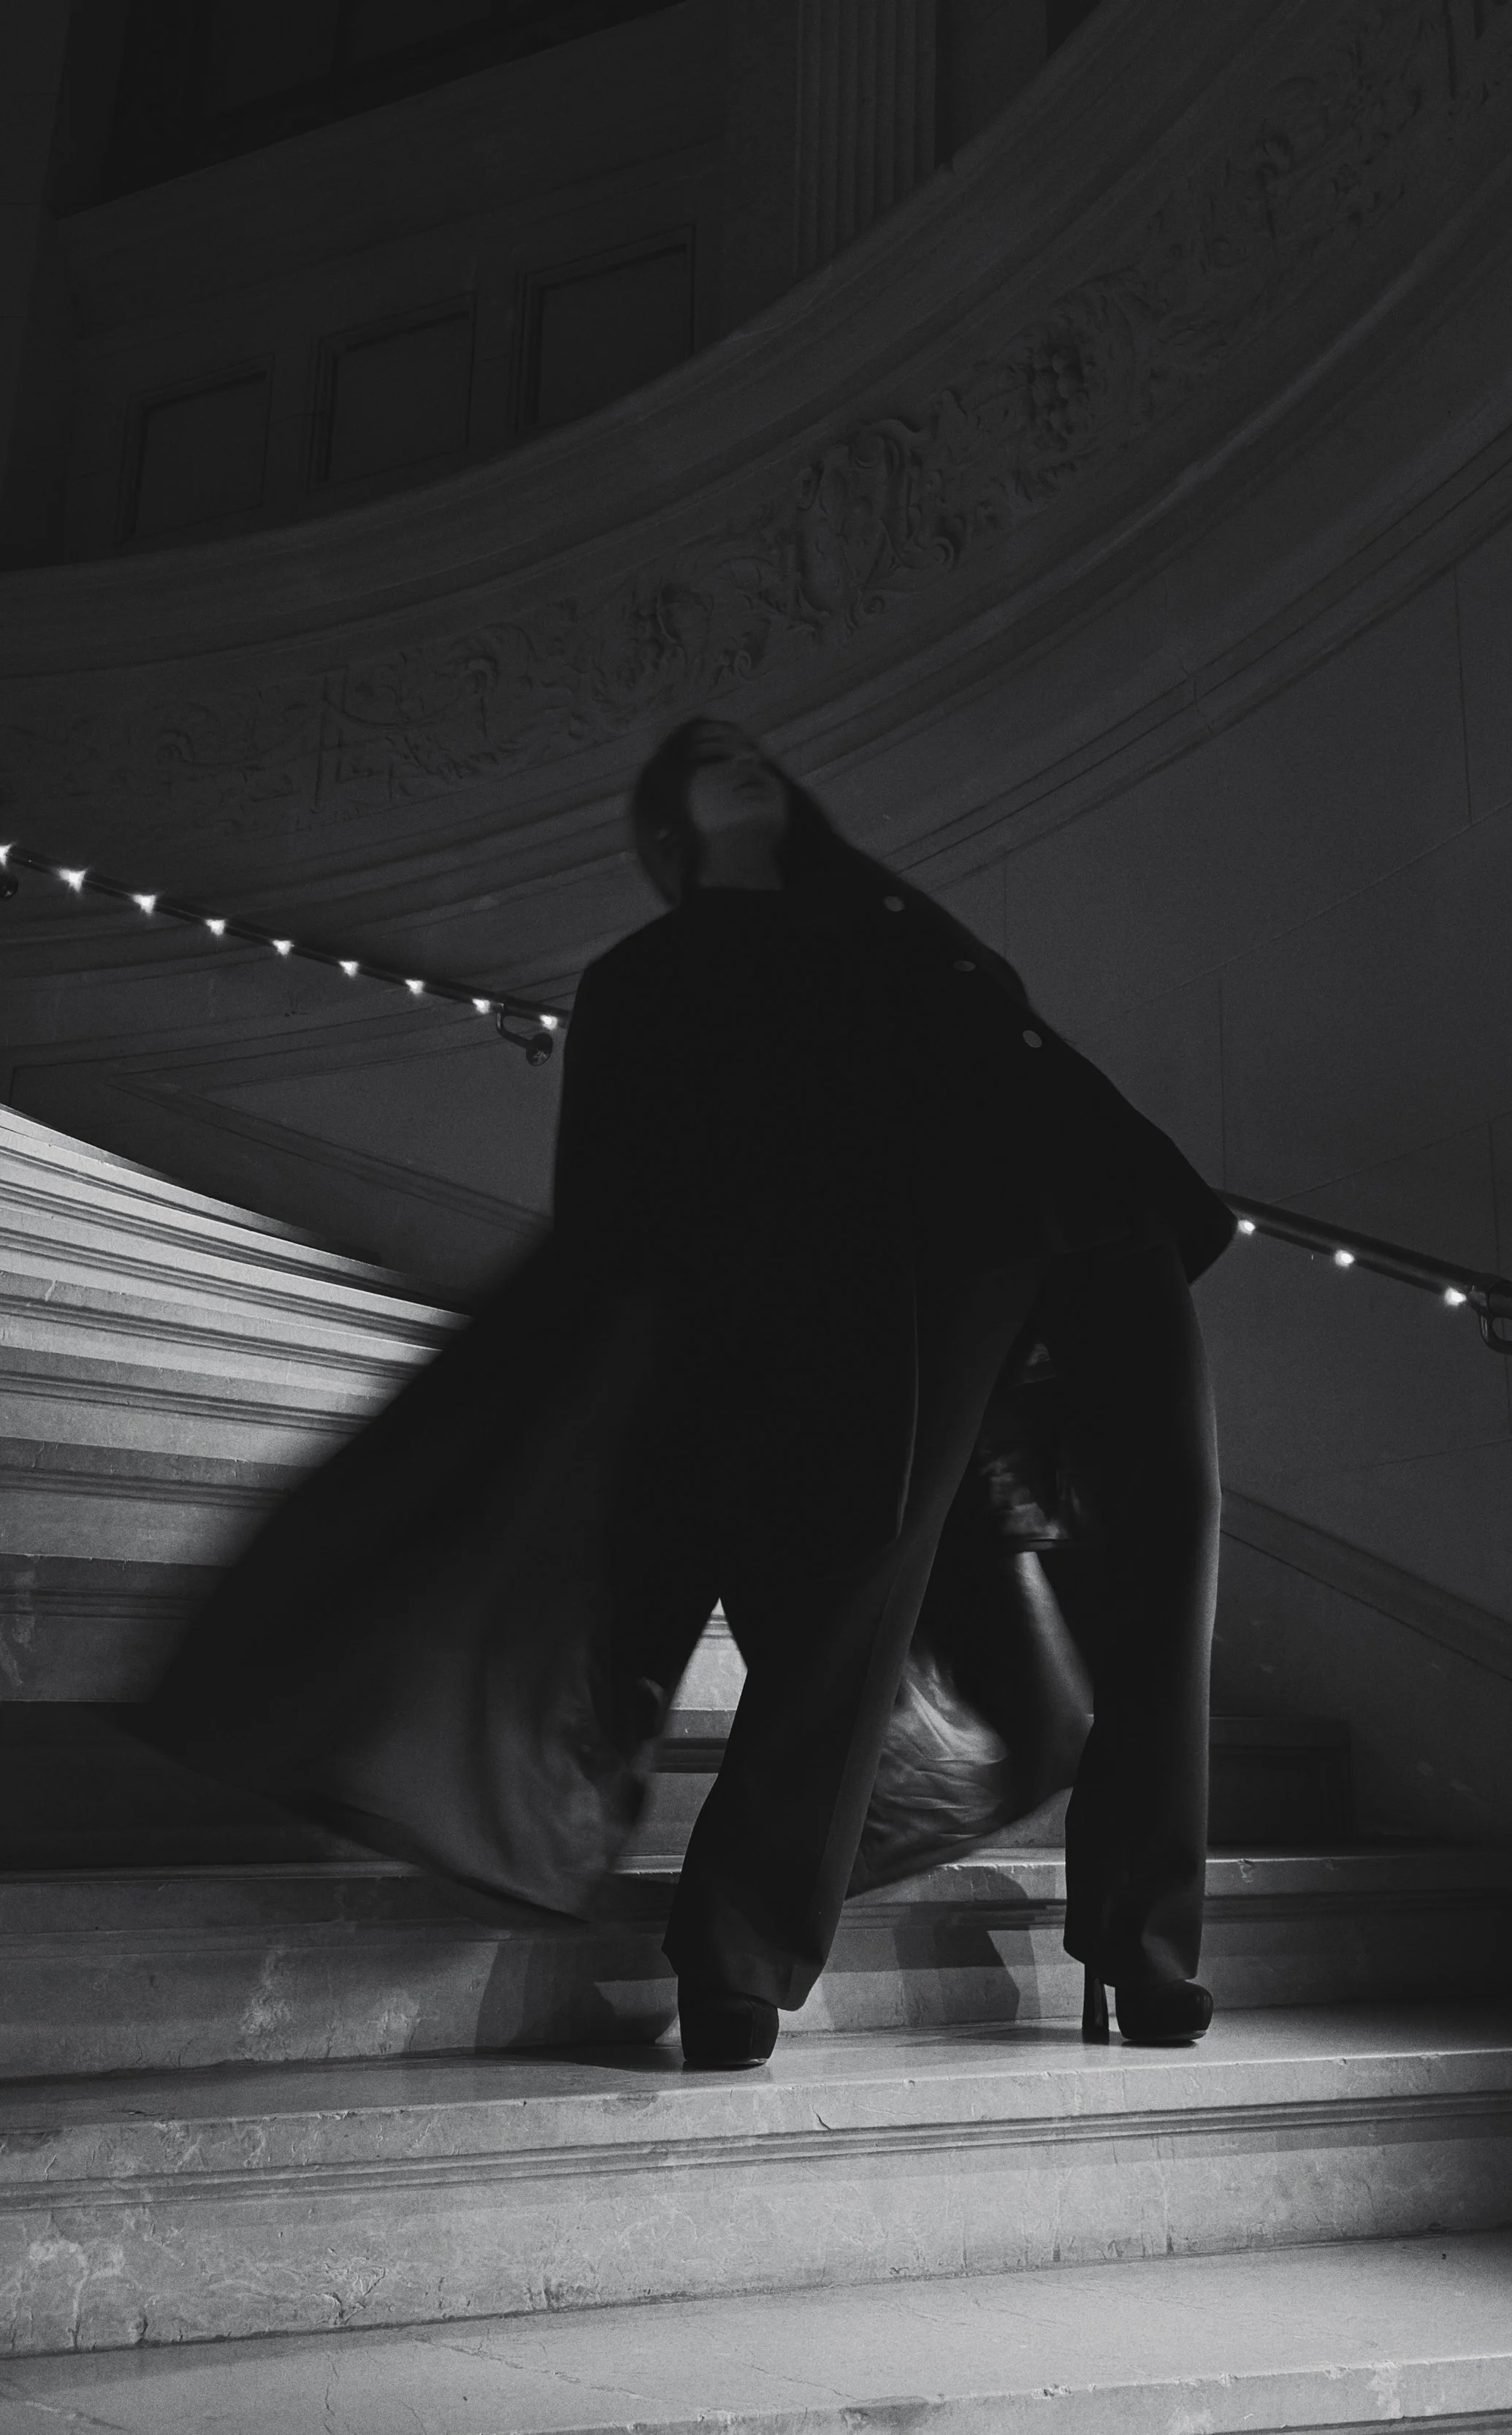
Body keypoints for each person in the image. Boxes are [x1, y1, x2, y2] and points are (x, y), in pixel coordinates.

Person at [137, 716, 1233, 2068]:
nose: (740, 754)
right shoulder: (648, 974)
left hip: (1104, 1204)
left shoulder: (884, 910)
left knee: (1171, 1552)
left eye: (750, 747)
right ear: (670, 825)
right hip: (917, 1261)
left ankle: (1145, 1945)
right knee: (861, 1590)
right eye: (706, 757)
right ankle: (737, 1957)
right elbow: (619, 1214)